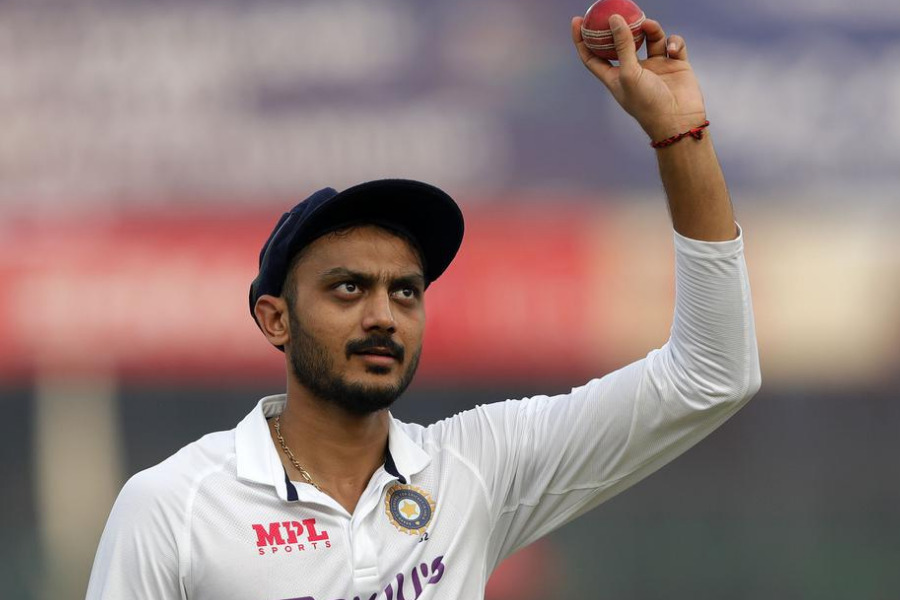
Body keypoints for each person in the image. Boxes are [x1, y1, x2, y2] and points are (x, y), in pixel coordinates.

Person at [86, 14, 761, 600]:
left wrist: (680, 135)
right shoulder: (174, 504)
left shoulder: (476, 467)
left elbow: (711, 375)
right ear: (275, 319)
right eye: (348, 288)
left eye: (405, 291)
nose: (383, 314)